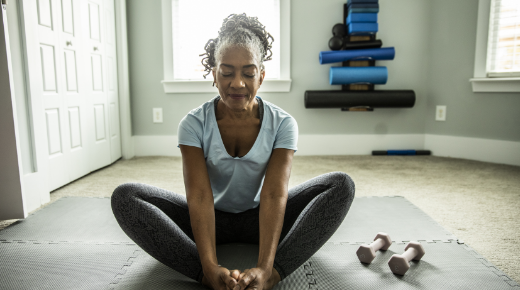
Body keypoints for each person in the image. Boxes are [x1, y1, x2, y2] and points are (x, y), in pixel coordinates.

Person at [111, 13, 355, 290]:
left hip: (261, 217)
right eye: (226, 73)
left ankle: (275, 274)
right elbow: (199, 195)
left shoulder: (283, 124)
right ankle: (205, 276)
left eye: (248, 73)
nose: (237, 83)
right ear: (214, 75)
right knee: (125, 197)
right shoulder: (193, 124)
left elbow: (275, 193)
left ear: (261, 77)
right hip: (209, 218)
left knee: (341, 185)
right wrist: (209, 265)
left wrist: (265, 267)